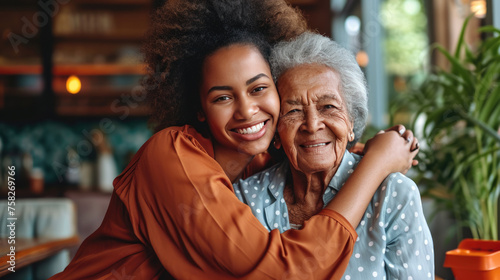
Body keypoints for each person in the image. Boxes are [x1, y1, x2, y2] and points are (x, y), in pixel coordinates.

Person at [50, 1, 418, 279]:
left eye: (259, 88)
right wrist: (375, 166)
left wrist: (362, 149)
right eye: (222, 97)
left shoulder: (258, 161)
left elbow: (314, 142)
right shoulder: (171, 156)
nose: (247, 111)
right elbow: (285, 271)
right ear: (199, 109)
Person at [234, 32, 434, 279]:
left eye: (328, 107)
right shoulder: (247, 198)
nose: (312, 124)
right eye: (294, 111)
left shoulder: (393, 195)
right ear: (276, 130)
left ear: (351, 122)